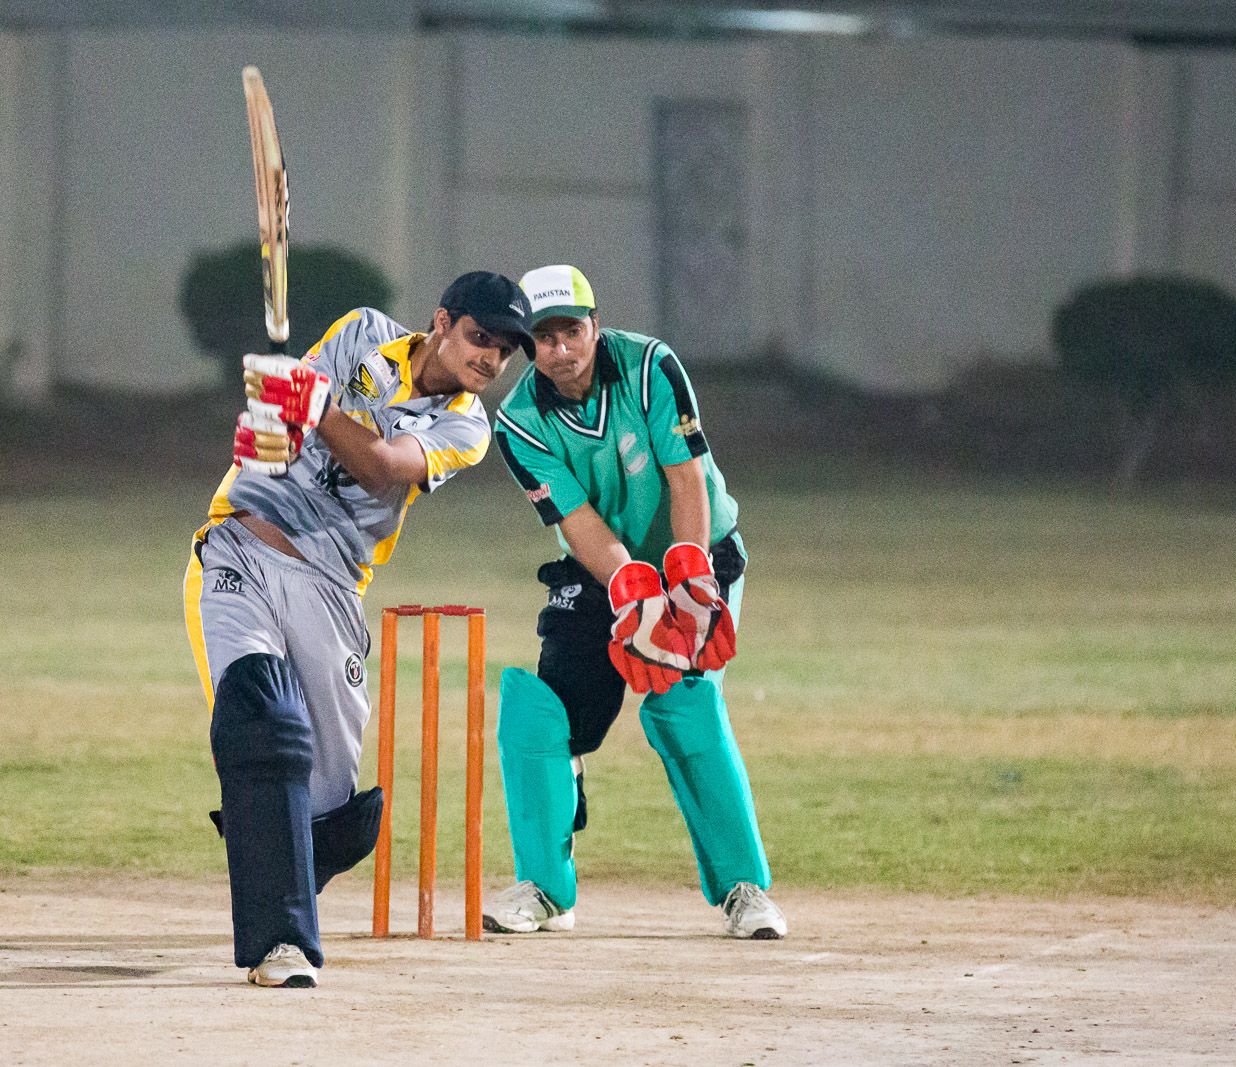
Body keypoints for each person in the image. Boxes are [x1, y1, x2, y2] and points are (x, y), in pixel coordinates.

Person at [182, 271, 537, 988]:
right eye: (480, 337)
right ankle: (280, 942)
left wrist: (313, 407)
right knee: (264, 726)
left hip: (331, 585)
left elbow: (381, 469)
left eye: (504, 350)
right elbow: (277, 426)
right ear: (442, 322)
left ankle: (277, 861)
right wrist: (271, 417)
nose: (491, 359)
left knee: (333, 812)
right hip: (239, 550)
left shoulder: (468, 426)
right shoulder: (364, 332)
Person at [485, 264, 786, 939]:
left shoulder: (651, 368)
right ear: (529, 346)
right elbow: (578, 521)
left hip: (699, 549)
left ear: (595, 325)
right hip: (603, 568)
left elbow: (685, 478)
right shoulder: (519, 422)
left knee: (686, 704)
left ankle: (744, 889)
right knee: (544, 712)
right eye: (544, 338)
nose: (561, 348)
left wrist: (688, 576)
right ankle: (545, 888)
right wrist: (628, 586)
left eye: (572, 331)